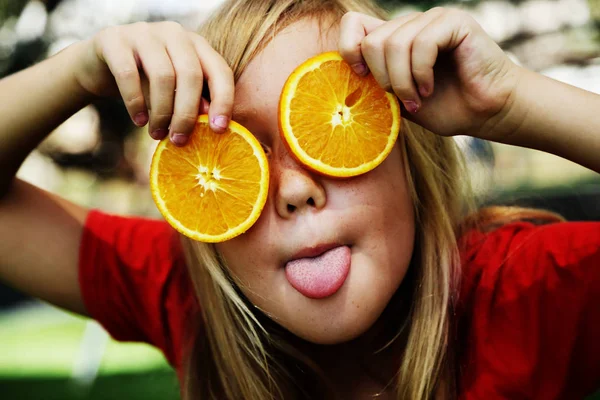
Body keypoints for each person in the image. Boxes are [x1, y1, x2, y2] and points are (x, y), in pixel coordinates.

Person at [0, 0, 599, 398]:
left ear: (409, 156)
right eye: (242, 152)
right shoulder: (192, 295)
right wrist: (74, 73)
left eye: (333, 134)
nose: (291, 188)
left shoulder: (526, 290)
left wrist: (514, 103)